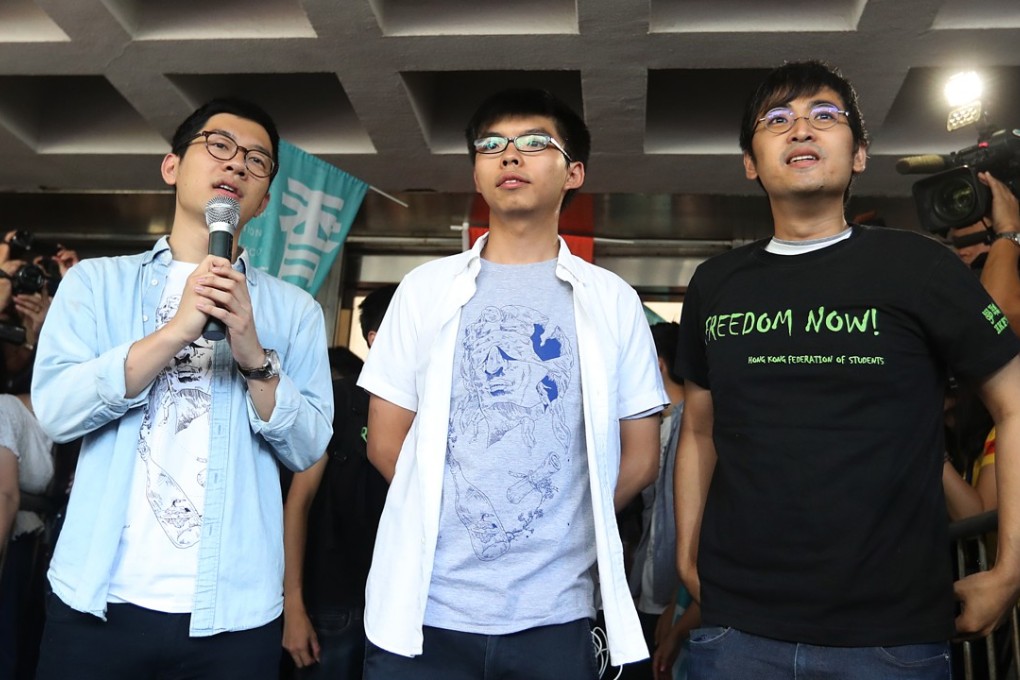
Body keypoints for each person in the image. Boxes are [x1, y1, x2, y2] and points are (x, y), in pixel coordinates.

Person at [674, 60, 1020, 680]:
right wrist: (686, 556)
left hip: (893, 638)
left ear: (859, 154)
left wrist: (1011, 569)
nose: (800, 129)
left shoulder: (922, 267)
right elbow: (699, 430)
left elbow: (1015, 402)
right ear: (750, 162)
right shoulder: (715, 284)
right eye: (776, 120)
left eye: (824, 116)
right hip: (736, 630)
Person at [357, 88, 667, 679]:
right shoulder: (425, 289)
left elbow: (641, 456)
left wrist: (557, 524)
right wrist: (465, 508)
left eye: (533, 144)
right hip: (426, 607)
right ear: (476, 171)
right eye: (492, 146)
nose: (510, 157)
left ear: (573, 172)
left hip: (558, 614)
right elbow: (384, 439)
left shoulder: (612, 300)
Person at [31, 97, 334, 680]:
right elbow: (57, 413)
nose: (237, 165)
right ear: (172, 166)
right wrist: (174, 334)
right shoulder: (97, 284)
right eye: (218, 146)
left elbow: (309, 446)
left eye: (257, 160)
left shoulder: (293, 311)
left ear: (264, 200)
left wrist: (252, 355)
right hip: (97, 599)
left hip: (234, 614)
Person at [282, 284, 396, 679]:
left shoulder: (430, 409)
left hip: (401, 607)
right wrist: (293, 606)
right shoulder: (336, 400)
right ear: (376, 339)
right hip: (333, 605)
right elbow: (298, 501)